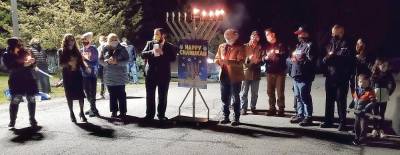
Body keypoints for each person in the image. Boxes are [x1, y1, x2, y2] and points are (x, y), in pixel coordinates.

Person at [320, 25, 355, 131]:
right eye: (332, 33)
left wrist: (334, 57)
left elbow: (347, 59)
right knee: (329, 99)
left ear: (342, 32)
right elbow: (324, 58)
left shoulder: (347, 43)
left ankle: (342, 123)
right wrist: (327, 58)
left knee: (341, 100)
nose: (333, 35)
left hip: (342, 76)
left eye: (335, 33)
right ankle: (328, 121)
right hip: (330, 75)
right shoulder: (329, 43)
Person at [141, 28, 178, 121]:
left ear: (163, 35)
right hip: (151, 74)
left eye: (157, 34)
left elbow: (173, 58)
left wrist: (163, 53)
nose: (155, 36)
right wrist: (152, 52)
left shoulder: (170, 46)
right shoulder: (150, 44)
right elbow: (142, 54)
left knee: (162, 96)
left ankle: (161, 115)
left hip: (164, 74)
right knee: (150, 95)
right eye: (154, 34)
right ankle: (149, 115)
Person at [3, 37, 39, 128]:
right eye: (19, 43)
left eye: (21, 43)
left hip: (28, 78)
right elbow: (10, 67)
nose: (21, 44)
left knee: (31, 98)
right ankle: (12, 120)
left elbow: (31, 64)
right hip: (16, 80)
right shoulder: (7, 54)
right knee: (16, 99)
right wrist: (24, 64)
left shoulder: (25, 52)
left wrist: (32, 62)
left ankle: (32, 119)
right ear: (13, 44)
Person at [215, 29, 245, 126]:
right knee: (224, 98)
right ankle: (226, 116)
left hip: (235, 77)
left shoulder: (240, 47)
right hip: (223, 76)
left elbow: (241, 62)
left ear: (235, 36)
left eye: (229, 35)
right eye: (226, 35)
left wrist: (229, 62)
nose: (227, 37)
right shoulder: (221, 46)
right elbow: (216, 58)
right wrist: (219, 61)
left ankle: (236, 118)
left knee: (235, 97)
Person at [288, 26, 317, 126]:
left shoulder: (311, 45)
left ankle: (308, 117)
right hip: (296, 75)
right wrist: (292, 60)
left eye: (300, 33)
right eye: (298, 34)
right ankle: (300, 114)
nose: (299, 35)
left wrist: (299, 61)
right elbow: (295, 57)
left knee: (305, 96)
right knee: (298, 96)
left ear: (306, 33)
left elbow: (311, 61)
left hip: (305, 76)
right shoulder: (299, 45)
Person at [58, 34, 88, 123]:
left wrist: (86, 68)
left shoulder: (77, 51)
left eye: (72, 40)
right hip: (68, 76)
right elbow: (60, 64)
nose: (71, 41)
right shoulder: (61, 51)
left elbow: (81, 63)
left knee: (80, 95)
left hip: (77, 75)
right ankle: (71, 113)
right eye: (69, 40)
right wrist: (69, 63)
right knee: (69, 95)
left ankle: (81, 112)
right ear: (65, 42)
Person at [99, 33, 129, 118]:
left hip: (120, 75)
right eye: (112, 40)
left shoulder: (122, 49)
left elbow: (127, 61)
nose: (114, 41)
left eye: (115, 39)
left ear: (118, 40)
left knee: (121, 94)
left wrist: (117, 62)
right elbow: (100, 60)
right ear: (108, 40)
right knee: (112, 95)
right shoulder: (104, 48)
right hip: (109, 75)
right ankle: (114, 111)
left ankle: (123, 112)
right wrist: (106, 63)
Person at [263, 28, 289, 117]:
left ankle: (281, 109)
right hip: (269, 71)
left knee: (280, 91)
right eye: (266, 35)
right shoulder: (266, 46)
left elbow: (286, 55)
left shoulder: (281, 44)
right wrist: (266, 58)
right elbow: (263, 57)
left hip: (280, 72)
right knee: (270, 91)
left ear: (273, 34)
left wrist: (277, 55)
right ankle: (272, 108)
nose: (266, 37)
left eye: (267, 34)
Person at [370, 58, 396, 138]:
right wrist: (371, 95)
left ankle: (381, 130)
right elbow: (370, 85)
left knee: (382, 113)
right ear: (378, 65)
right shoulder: (375, 73)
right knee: (375, 113)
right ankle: (374, 129)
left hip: (384, 95)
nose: (385, 67)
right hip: (375, 95)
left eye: (386, 66)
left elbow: (393, 85)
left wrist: (389, 93)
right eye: (383, 65)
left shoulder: (388, 74)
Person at [240, 31, 262, 115]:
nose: (254, 38)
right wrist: (248, 59)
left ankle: (253, 107)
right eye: (253, 36)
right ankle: (243, 108)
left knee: (255, 93)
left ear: (258, 38)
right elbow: (241, 59)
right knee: (244, 92)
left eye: (256, 37)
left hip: (256, 73)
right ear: (250, 37)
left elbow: (263, 59)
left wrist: (259, 61)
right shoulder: (244, 47)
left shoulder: (260, 48)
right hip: (246, 73)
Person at [352, 74, 376, 145]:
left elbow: (373, 102)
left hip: (364, 114)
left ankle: (362, 139)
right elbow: (354, 100)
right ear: (358, 82)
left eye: (365, 82)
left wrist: (365, 109)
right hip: (357, 112)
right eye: (360, 82)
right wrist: (350, 106)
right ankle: (356, 138)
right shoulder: (356, 90)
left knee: (363, 127)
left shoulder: (370, 91)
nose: (362, 84)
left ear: (369, 83)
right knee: (356, 126)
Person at [80, 32, 100, 117]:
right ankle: (93, 108)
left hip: (92, 73)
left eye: (85, 39)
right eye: (83, 40)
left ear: (89, 40)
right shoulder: (81, 50)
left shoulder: (93, 49)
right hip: (83, 74)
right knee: (86, 91)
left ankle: (93, 108)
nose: (84, 41)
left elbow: (95, 62)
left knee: (92, 91)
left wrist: (85, 60)